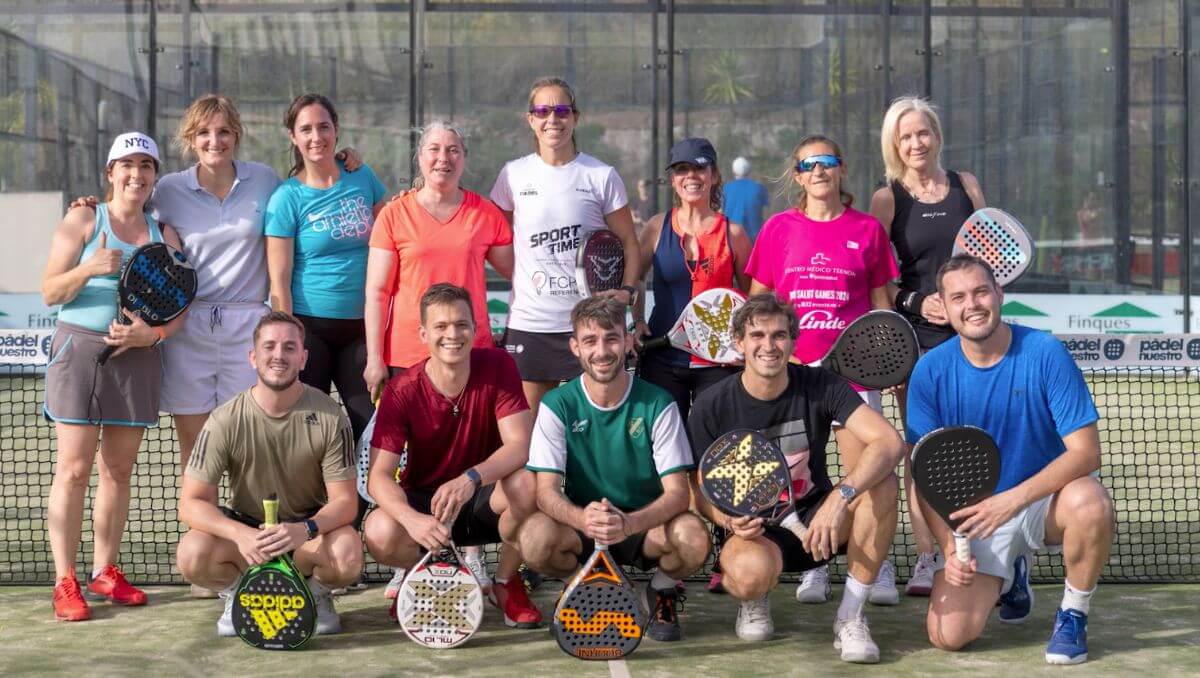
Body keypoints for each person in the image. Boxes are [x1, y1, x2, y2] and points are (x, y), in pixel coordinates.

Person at [906, 255, 1112, 665]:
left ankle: (1073, 613)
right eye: (959, 297)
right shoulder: (929, 371)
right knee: (949, 636)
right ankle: (1011, 572)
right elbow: (924, 475)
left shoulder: (1045, 352)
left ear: (999, 295)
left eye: (981, 291)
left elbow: (1087, 452)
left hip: (1041, 502)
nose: (973, 304)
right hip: (974, 515)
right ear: (944, 309)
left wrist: (1013, 500)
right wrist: (949, 548)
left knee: (1091, 502)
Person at [689, 293, 904, 663]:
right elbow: (694, 486)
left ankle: (850, 616)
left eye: (779, 335)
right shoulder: (712, 403)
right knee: (748, 574)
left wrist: (839, 498)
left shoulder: (821, 384)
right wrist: (726, 520)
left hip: (818, 522)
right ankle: (754, 600)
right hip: (753, 531)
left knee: (882, 485)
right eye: (757, 336)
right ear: (739, 342)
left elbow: (888, 442)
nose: (769, 346)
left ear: (792, 341)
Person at [746, 134, 900, 605]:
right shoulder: (777, 229)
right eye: (808, 165)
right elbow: (759, 302)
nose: (818, 171)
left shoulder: (869, 230)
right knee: (800, 476)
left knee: (868, 474)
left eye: (826, 162)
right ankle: (815, 561)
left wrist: (886, 361)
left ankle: (876, 562)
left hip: (851, 374)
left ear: (841, 169)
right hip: (792, 374)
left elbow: (880, 309)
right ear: (797, 176)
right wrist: (771, 361)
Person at [41, 132, 186, 621]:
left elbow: (180, 309)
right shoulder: (84, 218)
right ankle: (65, 580)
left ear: (154, 177)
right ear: (109, 173)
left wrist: (154, 337)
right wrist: (90, 269)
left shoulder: (165, 235)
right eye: (127, 165)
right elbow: (48, 292)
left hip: (138, 357)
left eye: (146, 166)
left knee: (118, 472)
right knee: (75, 469)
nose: (136, 174)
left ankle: (105, 571)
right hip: (79, 352)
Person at [518, 297, 710, 642]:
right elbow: (545, 492)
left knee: (694, 539)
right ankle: (581, 584)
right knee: (533, 539)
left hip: (643, 526)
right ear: (575, 346)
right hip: (582, 525)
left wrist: (629, 524)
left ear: (627, 341)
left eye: (611, 338)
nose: (601, 351)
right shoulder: (556, 405)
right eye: (590, 341)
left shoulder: (659, 403)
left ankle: (661, 591)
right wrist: (582, 519)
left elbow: (679, 494)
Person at [175, 311, 364, 637]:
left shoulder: (330, 415)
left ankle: (314, 596)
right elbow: (190, 504)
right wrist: (239, 534)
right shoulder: (224, 419)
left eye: (290, 348)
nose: (279, 355)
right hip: (249, 538)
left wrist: (303, 530)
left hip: (305, 535)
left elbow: (345, 503)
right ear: (253, 357)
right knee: (192, 554)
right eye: (269, 347)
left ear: (303, 358)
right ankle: (240, 593)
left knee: (347, 552)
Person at [363, 283, 542, 627]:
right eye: (441, 326)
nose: (452, 335)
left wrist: (470, 479)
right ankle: (422, 575)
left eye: (461, 324)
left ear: (476, 329)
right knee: (380, 530)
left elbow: (521, 446)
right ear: (423, 333)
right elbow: (378, 476)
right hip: (426, 505)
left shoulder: (498, 365)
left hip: (481, 498)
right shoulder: (401, 390)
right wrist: (411, 519)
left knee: (527, 483)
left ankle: (505, 583)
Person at [868, 96, 986, 598]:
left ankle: (985, 548)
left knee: (979, 442)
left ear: (936, 135)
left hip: (973, 337)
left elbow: (988, 259)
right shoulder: (887, 198)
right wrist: (918, 306)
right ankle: (926, 557)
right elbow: (881, 283)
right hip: (918, 337)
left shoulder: (967, 186)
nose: (916, 143)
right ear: (894, 145)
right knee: (922, 451)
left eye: (923, 133)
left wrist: (971, 307)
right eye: (905, 136)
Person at [490, 76, 640, 416]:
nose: (552, 119)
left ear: (575, 117)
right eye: (542, 110)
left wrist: (627, 291)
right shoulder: (513, 175)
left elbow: (630, 243)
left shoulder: (600, 175)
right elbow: (494, 238)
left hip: (589, 325)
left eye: (561, 110)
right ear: (531, 119)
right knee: (525, 437)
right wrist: (522, 274)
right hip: (531, 324)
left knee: (593, 427)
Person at [265, 93, 387, 445]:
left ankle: (370, 502)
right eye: (306, 129)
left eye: (324, 127)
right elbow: (279, 280)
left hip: (362, 331)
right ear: (293, 136)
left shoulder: (361, 175)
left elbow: (392, 234)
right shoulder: (286, 198)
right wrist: (288, 344)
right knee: (307, 435)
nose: (316, 137)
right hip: (310, 331)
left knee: (371, 431)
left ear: (337, 131)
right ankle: (311, 503)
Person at [363, 121, 513, 390]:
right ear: (420, 157)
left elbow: (519, 272)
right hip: (408, 355)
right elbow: (377, 293)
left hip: (471, 352)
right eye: (434, 149)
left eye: (453, 150)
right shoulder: (394, 214)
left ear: (464, 157)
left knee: (472, 433)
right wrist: (375, 358)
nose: (443, 158)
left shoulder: (486, 214)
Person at [634, 137, 751, 422]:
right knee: (664, 451)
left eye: (699, 168)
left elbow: (753, 299)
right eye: (681, 170)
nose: (691, 176)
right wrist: (637, 320)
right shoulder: (655, 227)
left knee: (713, 451)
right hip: (661, 355)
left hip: (718, 363)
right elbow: (634, 277)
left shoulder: (733, 233)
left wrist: (744, 342)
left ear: (714, 175)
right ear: (673, 180)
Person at [722, 156, 770, 241]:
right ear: (749, 171)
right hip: (754, 238)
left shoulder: (726, 189)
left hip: (731, 237)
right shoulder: (759, 188)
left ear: (733, 171)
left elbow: (720, 212)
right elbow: (766, 214)